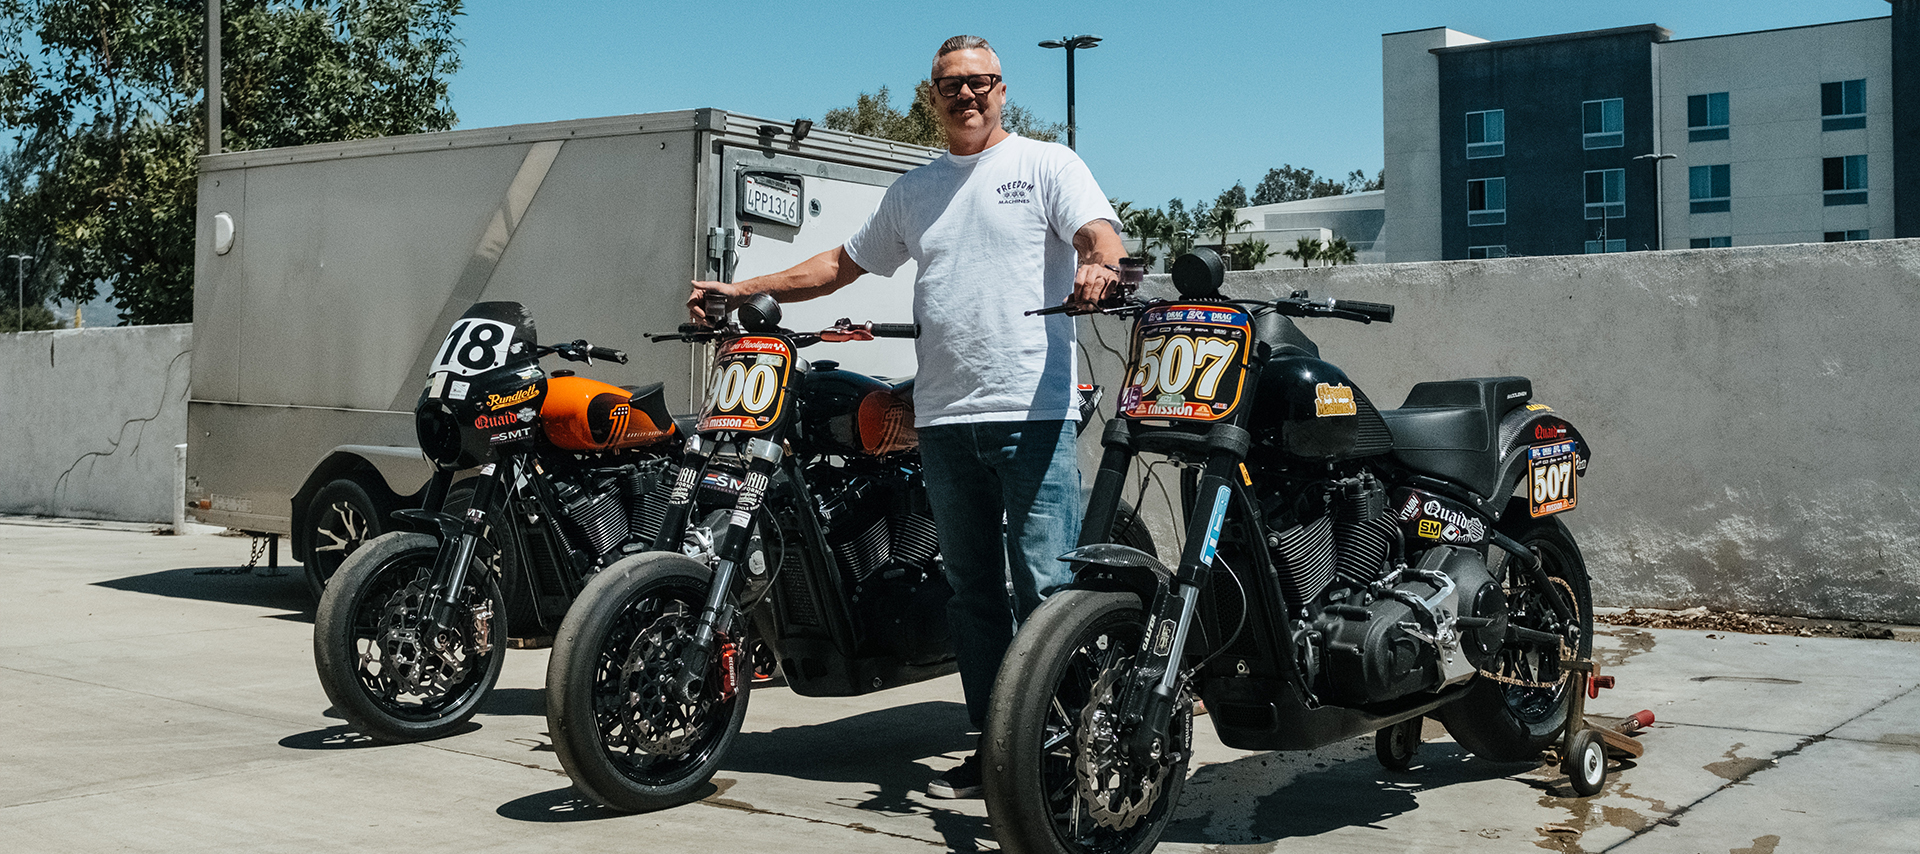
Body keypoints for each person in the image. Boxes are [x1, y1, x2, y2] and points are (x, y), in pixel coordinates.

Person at [688, 34, 1126, 799]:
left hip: (1033, 410)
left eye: (981, 82)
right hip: (943, 419)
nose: (968, 95)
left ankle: (1061, 750)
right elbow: (835, 266)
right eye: (951, 85)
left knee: (1045, 588)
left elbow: (1098, 231)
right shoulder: (915, 190)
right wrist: (742, 287)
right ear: (932, 98)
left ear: (1001, 89)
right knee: (972, 593)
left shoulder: (1047, 165)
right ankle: (997, 745)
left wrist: (1099, 261)